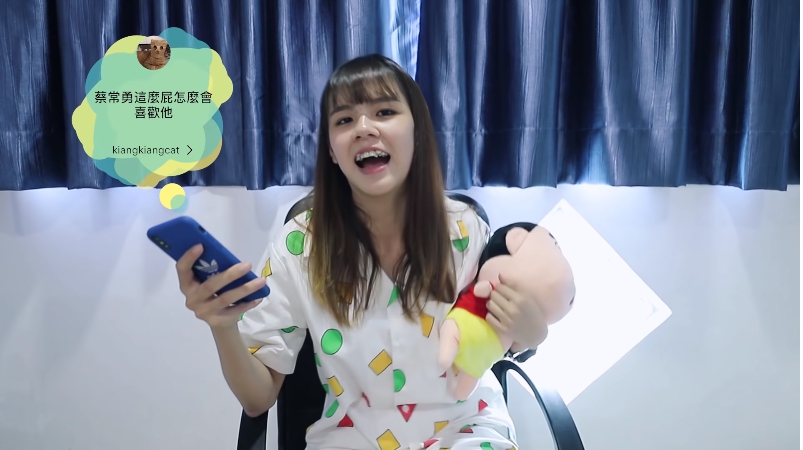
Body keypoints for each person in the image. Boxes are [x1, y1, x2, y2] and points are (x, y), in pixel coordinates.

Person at [176, 54, 549, 449]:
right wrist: (222, 326)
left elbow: (507, 336)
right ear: (331, 151)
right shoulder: (299, 245)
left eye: (384, 111)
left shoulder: (465, 229)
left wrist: (532, 332)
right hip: (351, 438)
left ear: (417, 131)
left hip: (465, 431)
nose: (364, 128)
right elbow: (258, 399)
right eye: (344, 120)